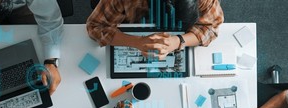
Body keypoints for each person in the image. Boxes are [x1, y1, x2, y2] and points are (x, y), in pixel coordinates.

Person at [86, 0, 224, 58]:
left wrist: (178, 41)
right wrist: (137, 42)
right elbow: (95, 26)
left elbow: (211, 27)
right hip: (130, 25)